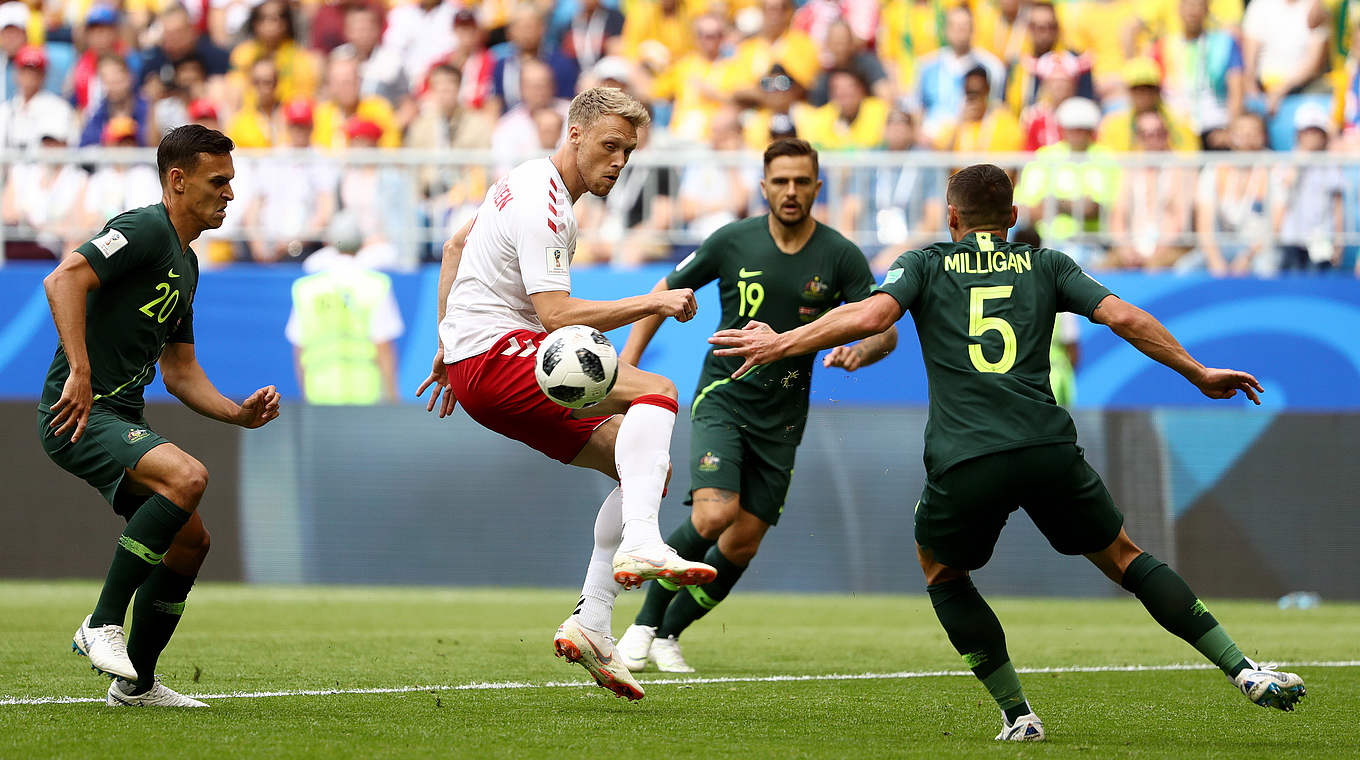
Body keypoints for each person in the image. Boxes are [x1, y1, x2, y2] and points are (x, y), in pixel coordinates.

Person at [708, 163, 1306, 741]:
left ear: (952, 218)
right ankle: (1243, 668)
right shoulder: (1047, 263)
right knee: (1124, 557)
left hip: (967, 456)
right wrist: (1197, 372)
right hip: (1047, 446)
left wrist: (783, 342)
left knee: (942, 570)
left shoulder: (924, 262)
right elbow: (1122, 316)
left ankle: (1018, 713)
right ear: (1013, 216)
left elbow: (872, 315)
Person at [415, 87, 717, 702]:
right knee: (657, 391)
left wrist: (448, 342)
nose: (618, 161)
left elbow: (454, 247)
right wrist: (651, 300)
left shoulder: (525, 181)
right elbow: (555, 315)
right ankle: (641, 542)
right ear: (574, 133)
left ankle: (593, 623)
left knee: (639, 467)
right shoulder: (544, 202)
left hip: (481, 360)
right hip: (503, 355)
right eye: (610, 145)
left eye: (628, 152)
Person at [613, 138, 898, 673]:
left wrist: (862, 349)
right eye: (781, 181)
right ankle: (643, 624)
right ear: (763, 186)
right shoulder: (732, 242)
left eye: (801, 181)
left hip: (784, 417)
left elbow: (883, 328)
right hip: (723, 397)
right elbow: (663, 294)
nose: (791, 191)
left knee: (742, 541)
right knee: (714, 514)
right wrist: (628, 366)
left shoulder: (839, 256)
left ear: (817, 186)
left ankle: (668, 634)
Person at [39, 125, 281, 708]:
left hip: (117, 412)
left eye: (231, 182)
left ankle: (137, 685)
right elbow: (63, 277)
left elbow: (180, 371)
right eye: (217, 181)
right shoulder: (145, 228)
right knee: (189, 477)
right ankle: (100, 623)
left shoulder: (187, 264)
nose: (229, 193)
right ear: (178, 180)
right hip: (77, 411)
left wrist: (237, 414)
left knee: (191, 542)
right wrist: (78, 369)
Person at [286, 212, 404, 404]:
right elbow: (384, 347)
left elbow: (299, 348)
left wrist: (305, 396)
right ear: (361, 243)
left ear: (329, 242)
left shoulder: (306, 289)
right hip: (366, 395)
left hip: (319, 394)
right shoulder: (376, 285)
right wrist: (392, 397)